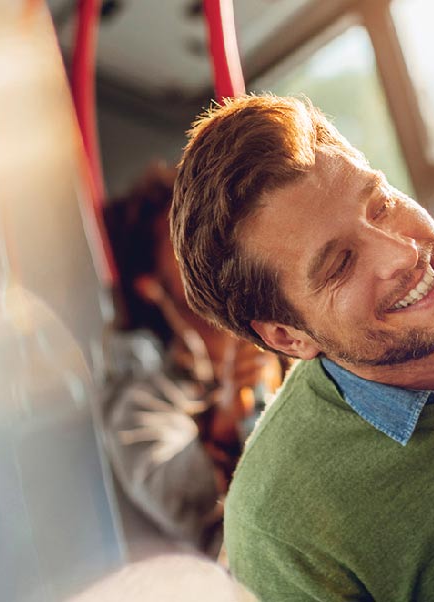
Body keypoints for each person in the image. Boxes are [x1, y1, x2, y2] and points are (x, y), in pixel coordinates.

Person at [168, 95, 434, 600]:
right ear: (287, 337)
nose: (403, 253)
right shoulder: (279, 525)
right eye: (339, 265)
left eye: (380, 206)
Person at [101, 164, 274, 553]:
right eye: (180, 241)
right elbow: (175, 498)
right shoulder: (146, 400)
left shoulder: (289, 335)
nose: (205, 249)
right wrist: (226, 425)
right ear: (149, 286)